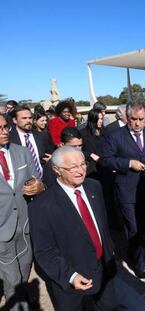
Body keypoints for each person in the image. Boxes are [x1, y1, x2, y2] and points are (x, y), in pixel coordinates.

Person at [28, 146, 117, 310]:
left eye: (83, 164)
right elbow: (44, 251)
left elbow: (102, 226)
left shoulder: (94, 187)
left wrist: (109, 251)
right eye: (73, 167)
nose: (80, 170)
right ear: (57, 170)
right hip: (73, 283)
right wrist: (70, 276)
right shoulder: (42, 205)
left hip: (104, 273)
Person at [101, 99, 145, 278]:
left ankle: (133, 251)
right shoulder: (115, 135)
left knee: (142, 226)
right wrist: (128, 163)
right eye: (134, 119)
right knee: (133, 227)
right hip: (126, 191)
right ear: (127, 117)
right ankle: (140, 263)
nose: (138, 123)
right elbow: (105, 160)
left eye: (141, 119)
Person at [0, 114, 45, 311]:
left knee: (25, 269)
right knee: (13, 278)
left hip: (25, 224)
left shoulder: (23, 152)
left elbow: (37, 181)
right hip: (2, 229)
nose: (5, 131)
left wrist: (39, 186)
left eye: (5, 127)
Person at [9, 106, 54, 178]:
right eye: (24, 118)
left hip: (44, 179)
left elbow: (51, 154)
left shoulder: (43, 136)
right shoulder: (10, 140)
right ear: (15, 120)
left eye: (30, 118)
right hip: (23, 183)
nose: (28, 121)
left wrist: (52, 158)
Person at [80, 108, 106, 179]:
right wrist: (90, 155)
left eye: (101, 119)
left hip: (104, 167)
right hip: (91, 170)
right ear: (92, 119)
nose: (100, 121)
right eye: (98, 119)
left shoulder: (105, 132)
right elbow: (77, 150)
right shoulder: (83, 133)